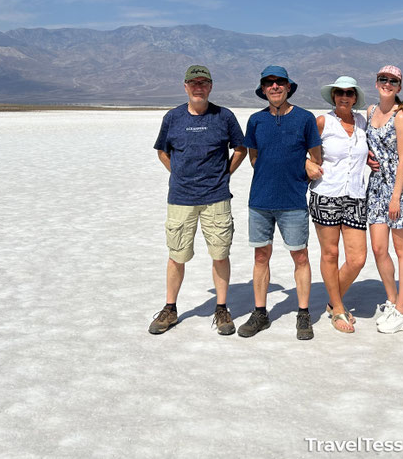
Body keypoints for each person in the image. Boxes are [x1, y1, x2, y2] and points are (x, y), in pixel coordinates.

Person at [149, 65, 247, 336]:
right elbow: (162, 152)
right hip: (181, 198)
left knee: (220, 253)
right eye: (193, 83)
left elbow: (240, 148)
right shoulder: (173, 118)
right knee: (176, 255)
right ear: (185, 86)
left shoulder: (224, 117)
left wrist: (224, 174)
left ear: (211, 86)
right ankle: (170, 308)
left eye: (203, 82)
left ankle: (222, 308)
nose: (198, 87)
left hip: (216, 197)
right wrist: (179, 175)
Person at [239, 65, 322, 340]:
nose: (274, 87)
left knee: (300, 255)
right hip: (260, 201)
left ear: (288, 87)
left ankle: (303, 313)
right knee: (261, 256)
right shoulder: (255, 121)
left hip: (293, 201)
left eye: (279, 82)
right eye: (269, 83)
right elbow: (254, 158)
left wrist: (305, 168)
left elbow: (316, 157)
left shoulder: (305, 118)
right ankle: (260, 313)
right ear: (263, 89)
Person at [307, 76, 369, 333]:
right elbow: (300, 149)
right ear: (333, 97)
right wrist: (306, 163)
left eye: (349, 93)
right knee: (330, 254)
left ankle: (334, 301)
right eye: (339, 93)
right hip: (327, 194)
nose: (344, 97)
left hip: (355, 195)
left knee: (357, 258)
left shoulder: (363, 122)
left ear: (355, 98)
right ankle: (339, 311)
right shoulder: (323, 122)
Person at [366, 65, 403, 334]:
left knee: (402, 250)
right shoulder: (369, 112)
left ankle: (401, 309)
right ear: (376, 82)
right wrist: (367, 157)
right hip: (376, 187)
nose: (387, 84)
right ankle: (391, 298)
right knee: (378, 248)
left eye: (393, 81)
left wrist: (396, 197)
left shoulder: (401, 116)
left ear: (399, 87)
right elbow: (369, 146)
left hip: (400, 189)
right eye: (383, 79)